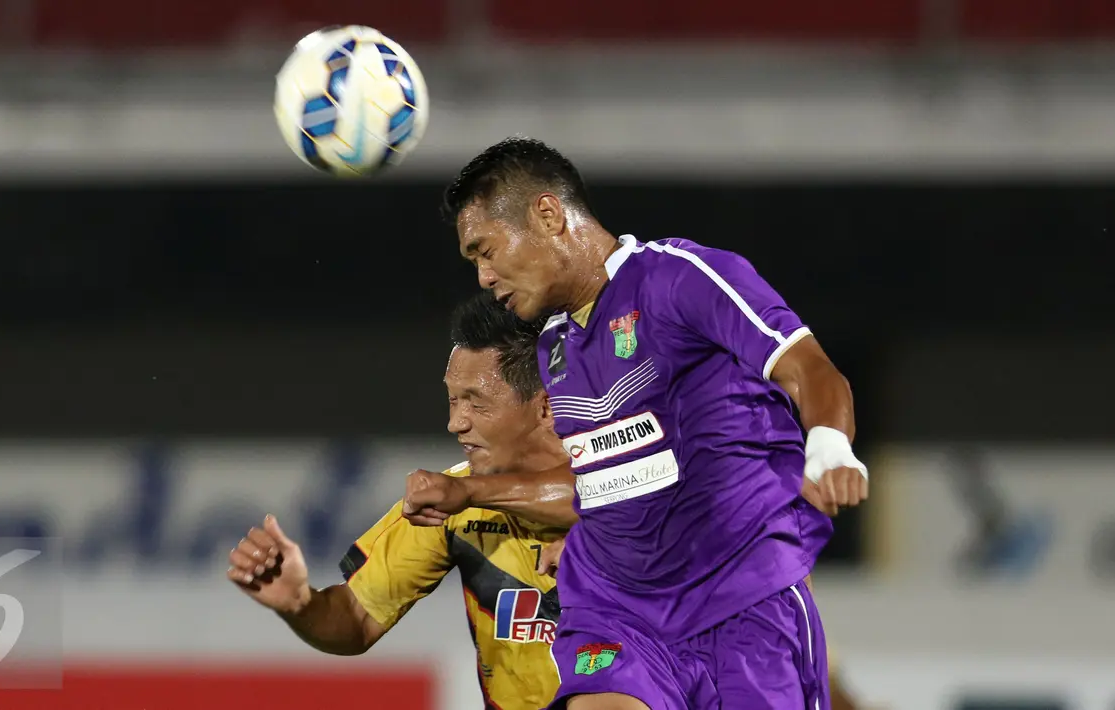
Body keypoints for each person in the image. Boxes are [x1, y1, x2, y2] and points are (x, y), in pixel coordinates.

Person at [403, 138, 869, 710]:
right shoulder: (553, 346)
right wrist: (563, 526)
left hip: (745, 601)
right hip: (619, 610)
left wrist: (828, 446)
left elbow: (811, 369)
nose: (483, 277)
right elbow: (603, 477)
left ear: (547, 215)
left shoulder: (681, 279)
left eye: (486, 250)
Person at [226, 293, 577, 710]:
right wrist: (300, 604)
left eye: (476, 402)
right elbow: (355, 620)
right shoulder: (455, 504)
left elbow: (601, 492)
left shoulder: (643, 472)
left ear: (545, 407)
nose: (455, 422)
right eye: (452, 399)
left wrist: (467, 493)